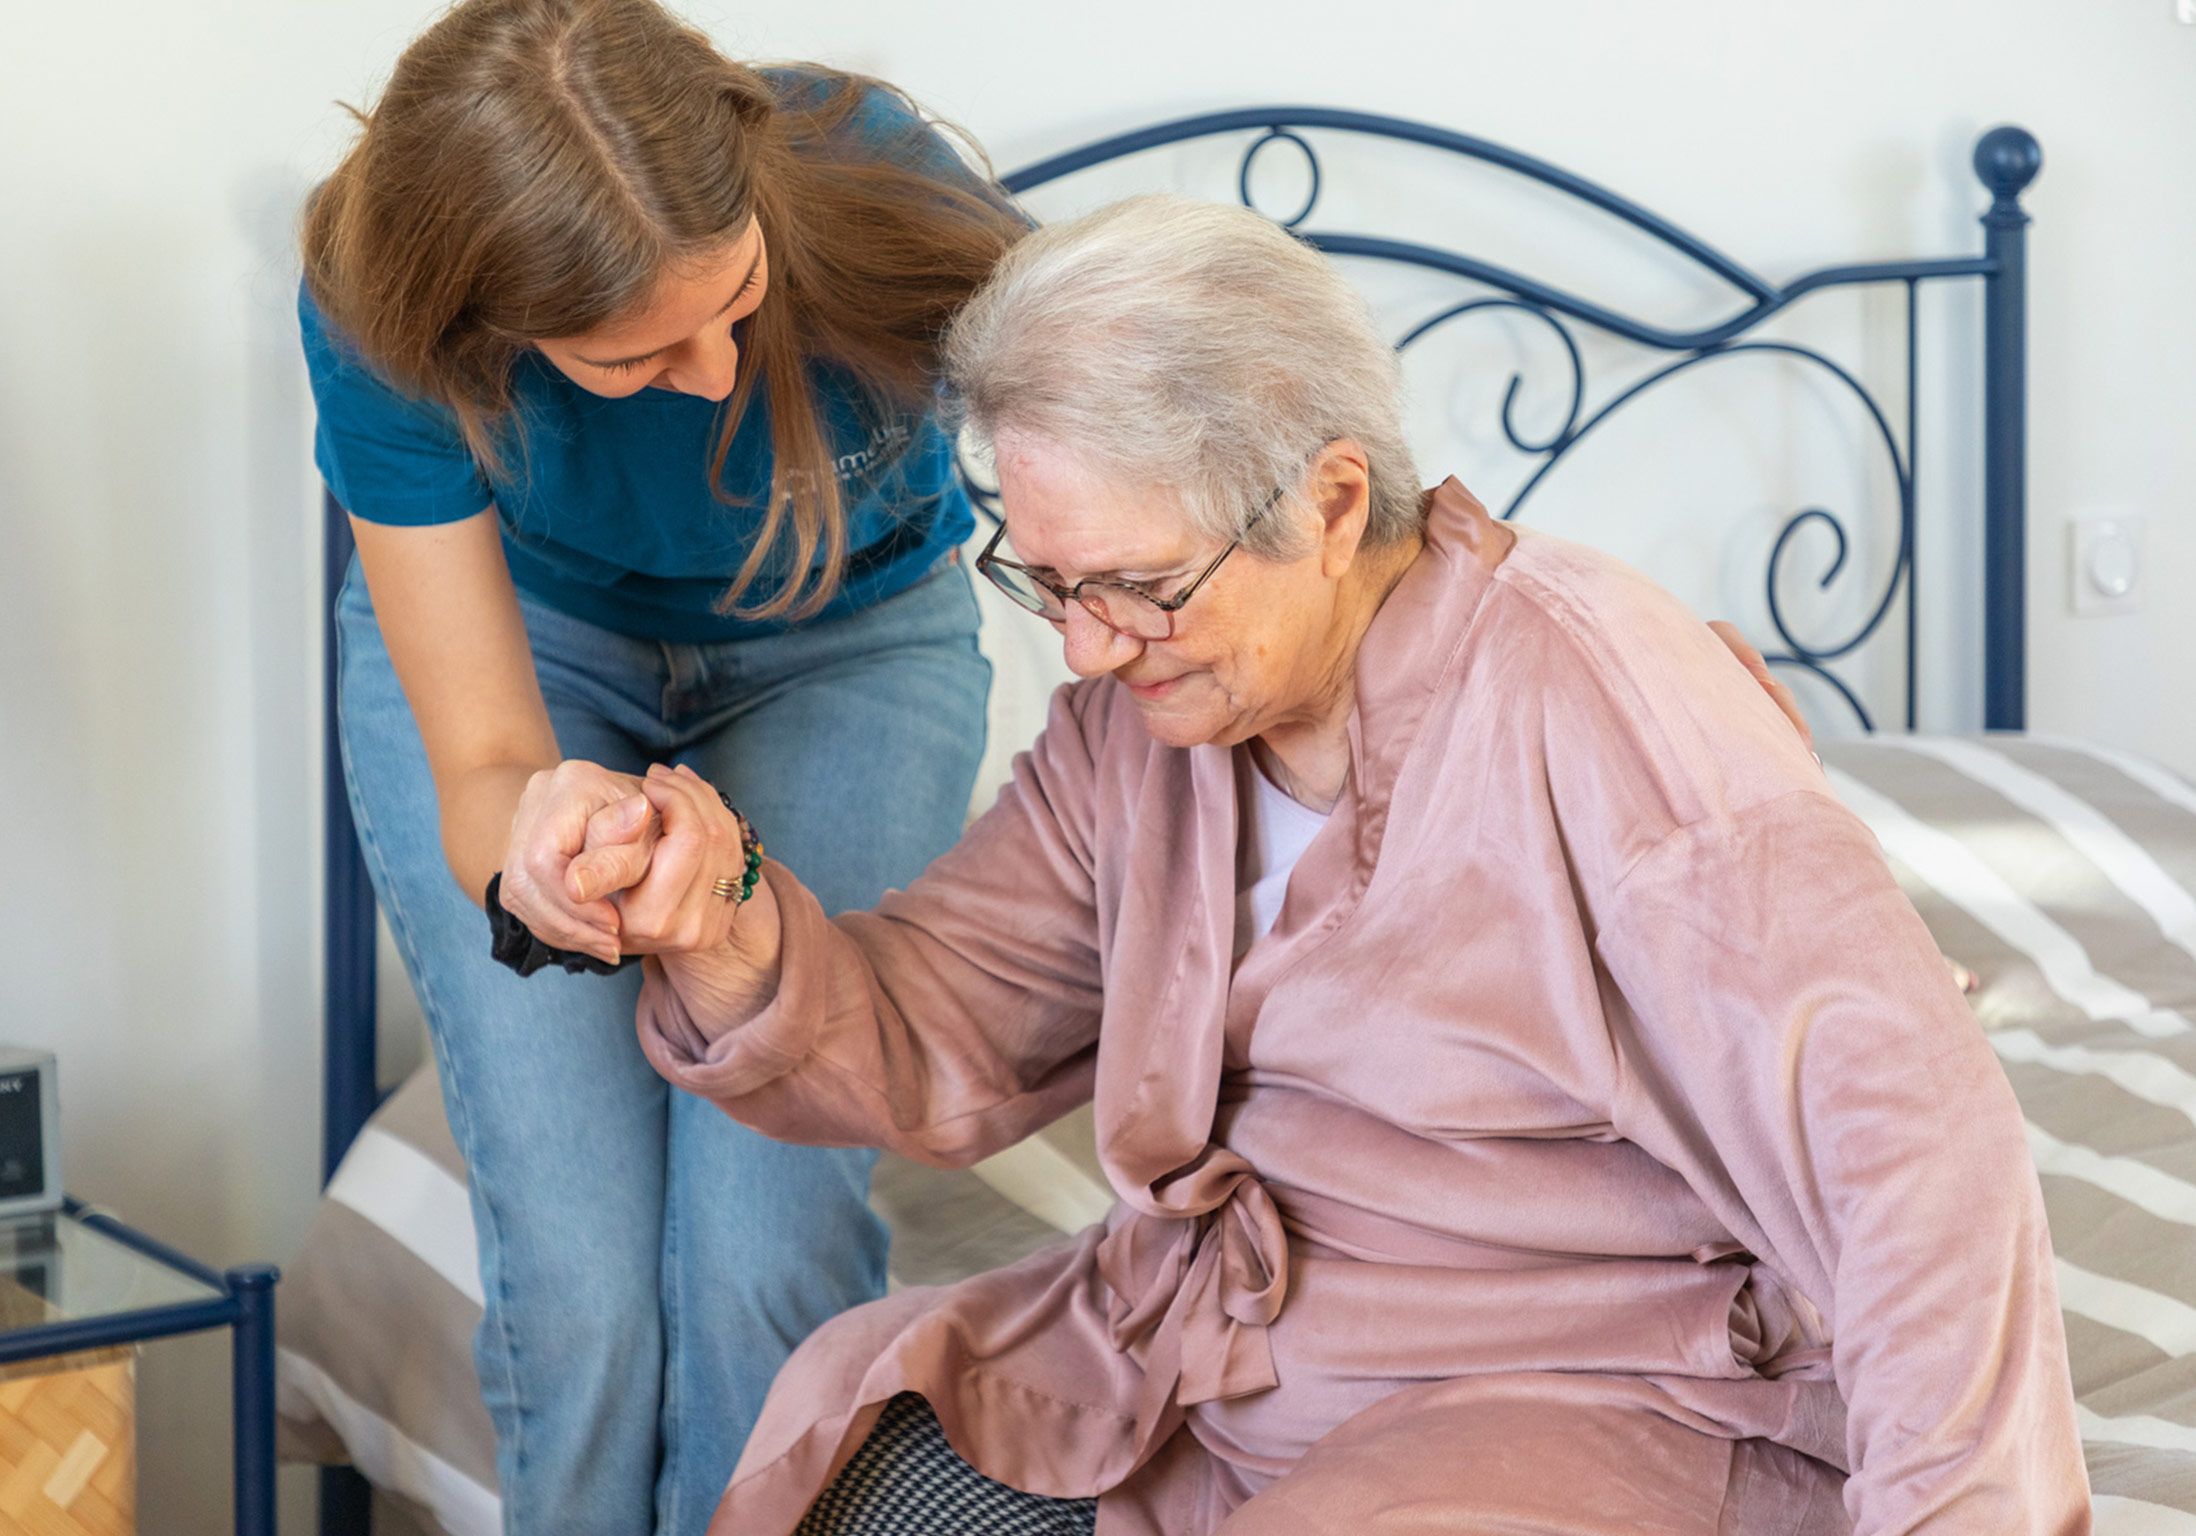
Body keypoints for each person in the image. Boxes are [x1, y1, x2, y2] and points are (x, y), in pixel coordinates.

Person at [581, 197, 2089, 1534]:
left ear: (1333, 501)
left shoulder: (1601, 697)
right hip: (1222, 1370)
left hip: (1588, 1390)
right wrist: (712, 912)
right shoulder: (1134, 728)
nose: (1092, 648)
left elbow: (1915, 1144)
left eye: (1138, 588)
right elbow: (937, 1019)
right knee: (849, 1440)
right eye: (1046, 586)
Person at [299, 0, 1025, 1528]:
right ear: (489, 334)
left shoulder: (883, 192)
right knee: (581, 1279)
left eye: (739, 301)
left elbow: (1136, 469)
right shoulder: (381, 308)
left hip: (859, 646)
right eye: (631, 357)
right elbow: (493, 758)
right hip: (533, 646)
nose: (712, 373)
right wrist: (542, 846)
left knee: (767, 1248)